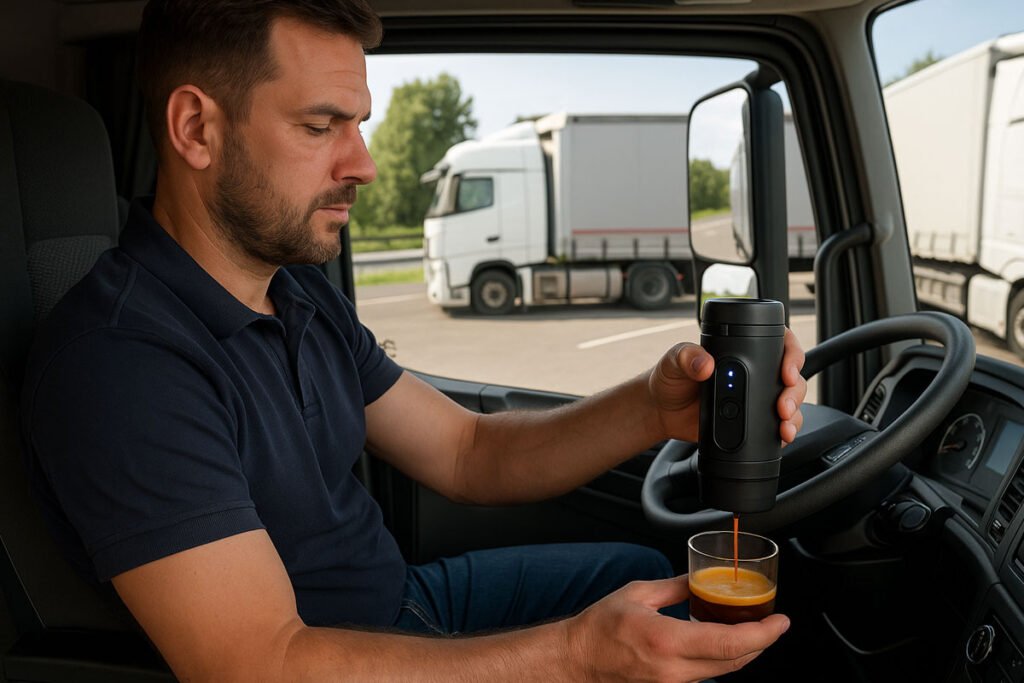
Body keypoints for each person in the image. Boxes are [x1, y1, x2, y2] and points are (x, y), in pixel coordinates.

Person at [20, 0, 807, 680]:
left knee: (646, 578)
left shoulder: (296, 294)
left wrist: (651, 406)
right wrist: (571, 658)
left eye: (358, 125)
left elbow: (469, 451)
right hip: (332, 656)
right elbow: (259, 662)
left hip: (401, 601)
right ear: (196, 127)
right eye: (321, 125)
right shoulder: (122, 363)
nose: (361, 164)